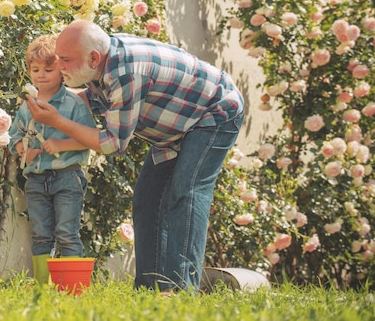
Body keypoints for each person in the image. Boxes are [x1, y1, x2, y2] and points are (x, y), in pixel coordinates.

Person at [25, 20, 245, 294]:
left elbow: (112, 143)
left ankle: (178, 289)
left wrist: (58, 120)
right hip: (176, 128)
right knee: (147, 198)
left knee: (185, 193)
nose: (60, 67)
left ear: (93, 57)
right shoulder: (102, 63)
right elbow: (89, 99)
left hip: (215, 112)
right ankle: (149, 287)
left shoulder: (126, 73)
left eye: (65, 60)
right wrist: (48, 101)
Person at [9, 34, 96, 284]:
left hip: (67, 177)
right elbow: (16, 136)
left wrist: (60, 143)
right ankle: (41, 288)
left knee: (67, 233)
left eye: (49, 69)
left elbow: (89, 138)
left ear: (62, 70)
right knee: (40, 236)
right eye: (35, 69)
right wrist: (24, 150)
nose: (41, 75)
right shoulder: (27, 106)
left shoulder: (73, 104)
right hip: (36, 179)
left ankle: (72, 289)